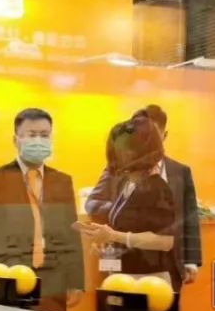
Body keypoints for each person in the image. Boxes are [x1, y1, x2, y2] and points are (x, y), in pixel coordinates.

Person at [0, 108, 84, 311]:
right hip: (8, 278)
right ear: (16, 140)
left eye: (44, 135)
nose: (39, 141)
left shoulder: (63, 181)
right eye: (32, 135)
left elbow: (71, 233)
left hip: (53, 281)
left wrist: (76, 281)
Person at [84, 104, 202, 285]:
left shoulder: (159, 185)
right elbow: (103, 208)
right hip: (125, 272)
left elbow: (173, 233)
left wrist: (116, 235)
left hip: (152, 275)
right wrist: (110, 239)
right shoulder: (126, 180)